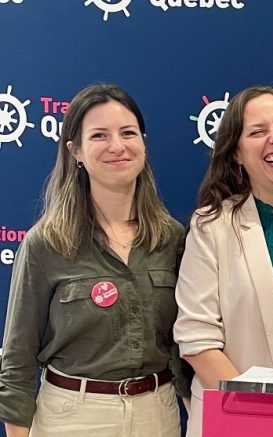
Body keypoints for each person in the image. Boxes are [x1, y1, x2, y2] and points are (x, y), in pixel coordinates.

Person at [0, 84, 185, 437]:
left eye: (128, 133)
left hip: (157, 414)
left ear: (143, 143)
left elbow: (183, 346)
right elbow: (17, 361)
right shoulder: (47, 243)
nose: (117, 146)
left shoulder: (171, 238)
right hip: (73, 418)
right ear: (76, 151)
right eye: (99, 135)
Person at [174, 86, 273, 436]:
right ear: (236, 153)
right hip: (238, 418)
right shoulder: (211, 227)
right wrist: (257, 413)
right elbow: (197, 340)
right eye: (258, 132)